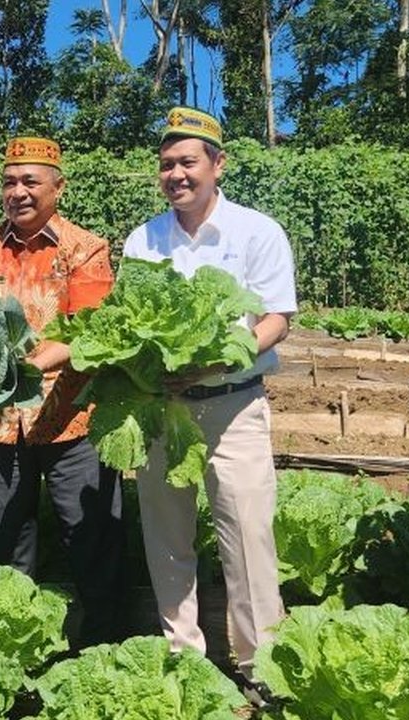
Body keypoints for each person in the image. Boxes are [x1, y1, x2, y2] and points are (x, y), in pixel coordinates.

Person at [122, 108, 296, 684]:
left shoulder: (257, 231)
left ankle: (258, 664)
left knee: (247, 534)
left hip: (233, 402)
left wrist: (217, 359)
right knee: (167, 536)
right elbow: (128, 323)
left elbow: (276, 319)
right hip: (165, 408)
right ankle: (183, 656)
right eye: (167, 164)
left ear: (218, 165)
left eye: (188, 162)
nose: (177, 174)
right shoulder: (143, 240)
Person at [0, 136, 125, 646]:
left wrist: (28, 364)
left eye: (31, 181)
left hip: (70, 417)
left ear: (58, 187)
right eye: (9, 182)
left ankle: (101, 649)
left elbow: (89, 329)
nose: (18, 192)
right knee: (4, 538)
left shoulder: (85, 249)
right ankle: (13, 649)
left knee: (90, 537)